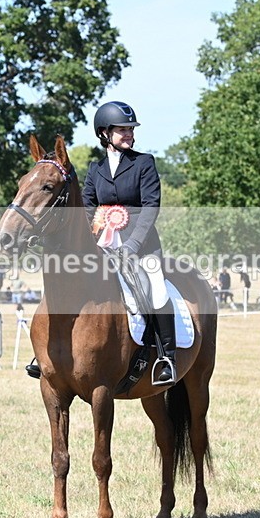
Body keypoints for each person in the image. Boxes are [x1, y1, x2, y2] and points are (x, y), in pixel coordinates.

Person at [80, 100, 176, 386]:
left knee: (157, 291)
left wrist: (133, 244)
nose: (130, 134)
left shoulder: (143, 163)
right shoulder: (94, 169)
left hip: (141, 245)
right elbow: (86, 207)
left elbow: (151, 207)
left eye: (131, 129)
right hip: (102, 247)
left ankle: (166, 358)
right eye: (123, 130)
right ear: (105, 133)